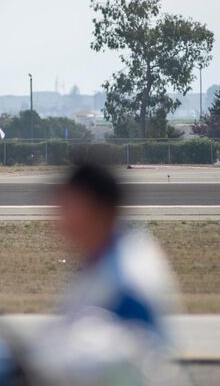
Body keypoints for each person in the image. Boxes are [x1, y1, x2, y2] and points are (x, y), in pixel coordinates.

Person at [27, 163, 184, 386]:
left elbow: (131, 356)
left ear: (93, 208)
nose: (55, 217)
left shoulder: (125, 281)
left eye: (65, 205)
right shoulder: (112, 253)